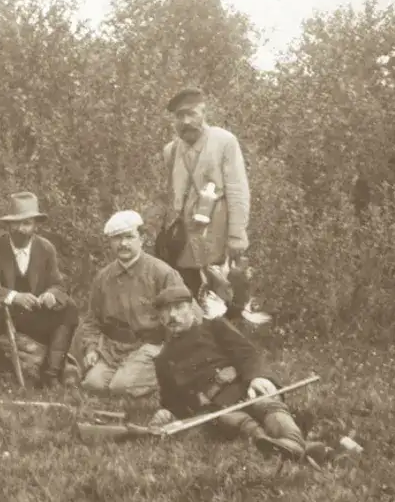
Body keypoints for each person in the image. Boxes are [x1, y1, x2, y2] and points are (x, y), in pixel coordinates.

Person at [149, 285, 333, 465]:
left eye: (179, 308)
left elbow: (248, 354)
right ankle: (283, 446)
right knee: (234, 420)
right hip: (215, 410)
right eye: (166, 312)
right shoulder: (164, 360)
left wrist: (258, 377)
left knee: (267, 404)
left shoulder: (215, 327)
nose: (173, 315)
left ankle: (291, 443)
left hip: (245, 389)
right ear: (161, 318)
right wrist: (167, 413)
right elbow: (173, 402)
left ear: (191, 308)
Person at [152, 87, 251, 306]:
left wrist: (236, 236)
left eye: (191, 113)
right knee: (188, 297)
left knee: (224, 300)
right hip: (184, 241)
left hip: (217, 238)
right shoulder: (171, 150)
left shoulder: (225, 142)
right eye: (180, 116)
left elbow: (237, 190)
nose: (186, 121)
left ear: (203, 113)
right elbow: (171, 196)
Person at [0, 192, 79, 390]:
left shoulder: (46, 248)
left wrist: (51, 295)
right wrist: (13, 297)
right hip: (3, 317)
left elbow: (59, 284)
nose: (21, 229)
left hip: (35, 316)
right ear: (8, 225)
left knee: (69, 309)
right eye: (16, 223)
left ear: (36, 225)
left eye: (27, 223)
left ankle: (51, 375)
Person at [76, 210, 187, 398]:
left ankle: (160, 377)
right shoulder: (103, 277)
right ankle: (128, 374)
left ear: (141, 239)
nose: (123, 244)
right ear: (110, 243)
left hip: (150, 346)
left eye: (129, 237)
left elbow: (185, 317)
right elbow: (92, 320)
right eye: (117, 238)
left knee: (121, 388)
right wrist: (91, 348)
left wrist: (172, 353)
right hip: (114, 349)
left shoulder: (162, 273)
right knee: (93, 385)